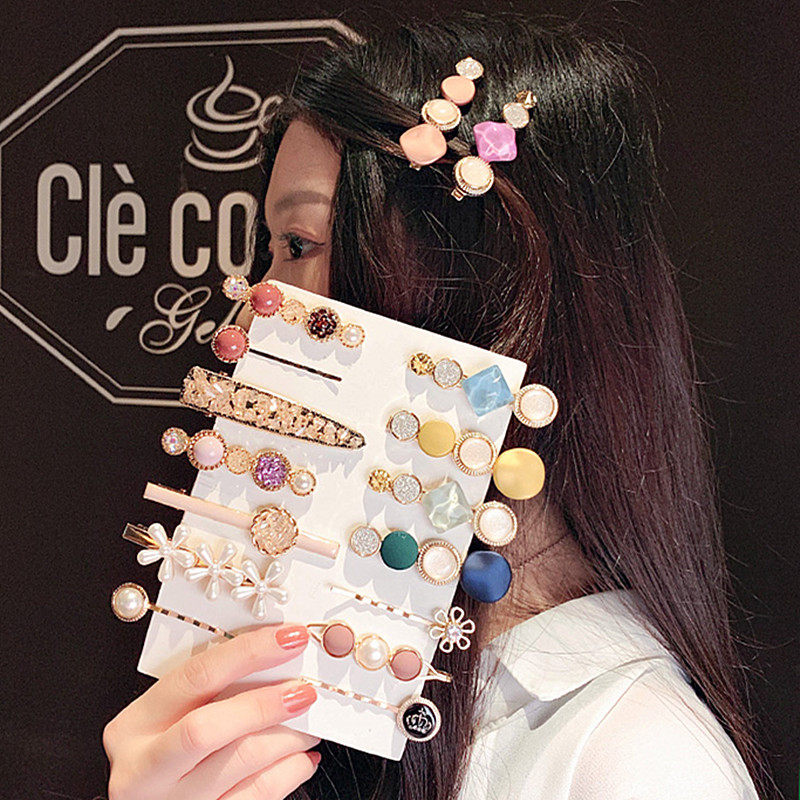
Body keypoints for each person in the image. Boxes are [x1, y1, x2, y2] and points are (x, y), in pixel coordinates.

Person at [103, 11, 773, 800]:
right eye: (274, 251)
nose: (254, 315)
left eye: (301, 247)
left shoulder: (640, 763)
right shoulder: (339, 693)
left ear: (481, 276)